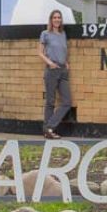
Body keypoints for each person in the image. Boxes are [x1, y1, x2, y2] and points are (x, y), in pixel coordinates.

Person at [38, 9, 71, 139]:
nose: (57, 19)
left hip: (63, 70)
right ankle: (49, 130)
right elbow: (40, 52)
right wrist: (50, 62)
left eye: (59, 17)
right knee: (50, 102)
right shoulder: (45, 34)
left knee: (67, 102)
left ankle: (48, 127)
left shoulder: (63, 34)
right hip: (52, 70)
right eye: (55, 17)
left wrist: (66, 62)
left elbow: (63, 50)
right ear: (51, 20)